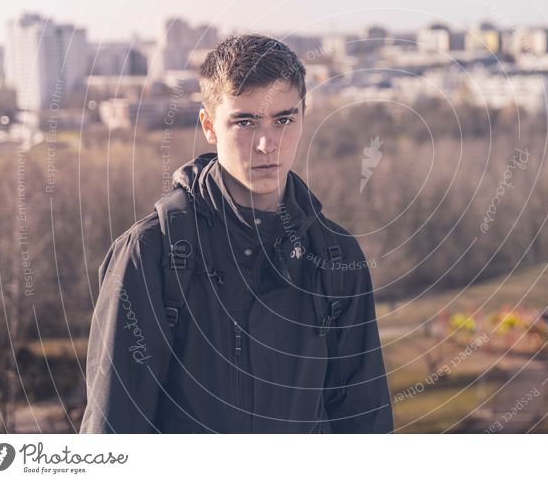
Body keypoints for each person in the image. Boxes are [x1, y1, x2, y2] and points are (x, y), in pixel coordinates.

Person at [80, 34, 393, 433]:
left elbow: (364, 426)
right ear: (209, 126)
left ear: (303, 117)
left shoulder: (336, 255)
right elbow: (113, 432)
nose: (268, 144)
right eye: (245, 122)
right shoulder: (151, 254)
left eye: (284, 119)